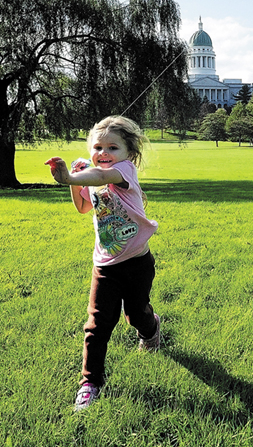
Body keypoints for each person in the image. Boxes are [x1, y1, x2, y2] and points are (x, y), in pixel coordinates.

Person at [45, 116, 159, 412]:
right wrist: (73, 181)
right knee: (97, 324)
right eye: (98, 147)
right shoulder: (94, 176)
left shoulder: (123, 171)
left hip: (137, 264)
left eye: (113, 147)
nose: (104, 152)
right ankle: (89, 383)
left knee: (136, 315)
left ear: (128, 154)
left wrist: (73, 178)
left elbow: (100, 177)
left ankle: (151, 330)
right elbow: (83, 207)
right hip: (105, 266)